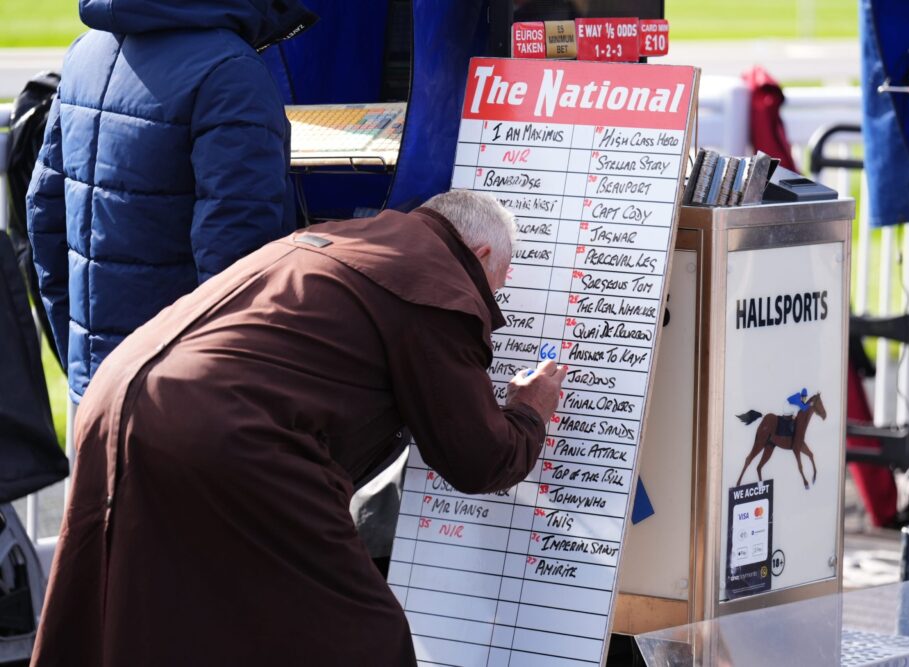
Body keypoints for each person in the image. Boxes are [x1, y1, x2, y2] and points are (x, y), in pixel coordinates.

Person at [32, 190, 568, 666]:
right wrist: (529, 410)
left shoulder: (335, 238)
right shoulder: (440, 283)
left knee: (150, 616)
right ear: (479, 255)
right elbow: (480, 459)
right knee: (362, 637)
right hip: (226, 434)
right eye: (499, 284)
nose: (492, 301)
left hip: (117, 395)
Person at [26, 0, 317, 404]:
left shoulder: (84, 53)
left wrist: (81, 363)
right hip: (187, 400)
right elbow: (237, 264)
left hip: (96, 388)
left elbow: (45, 224)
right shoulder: (230, 71)